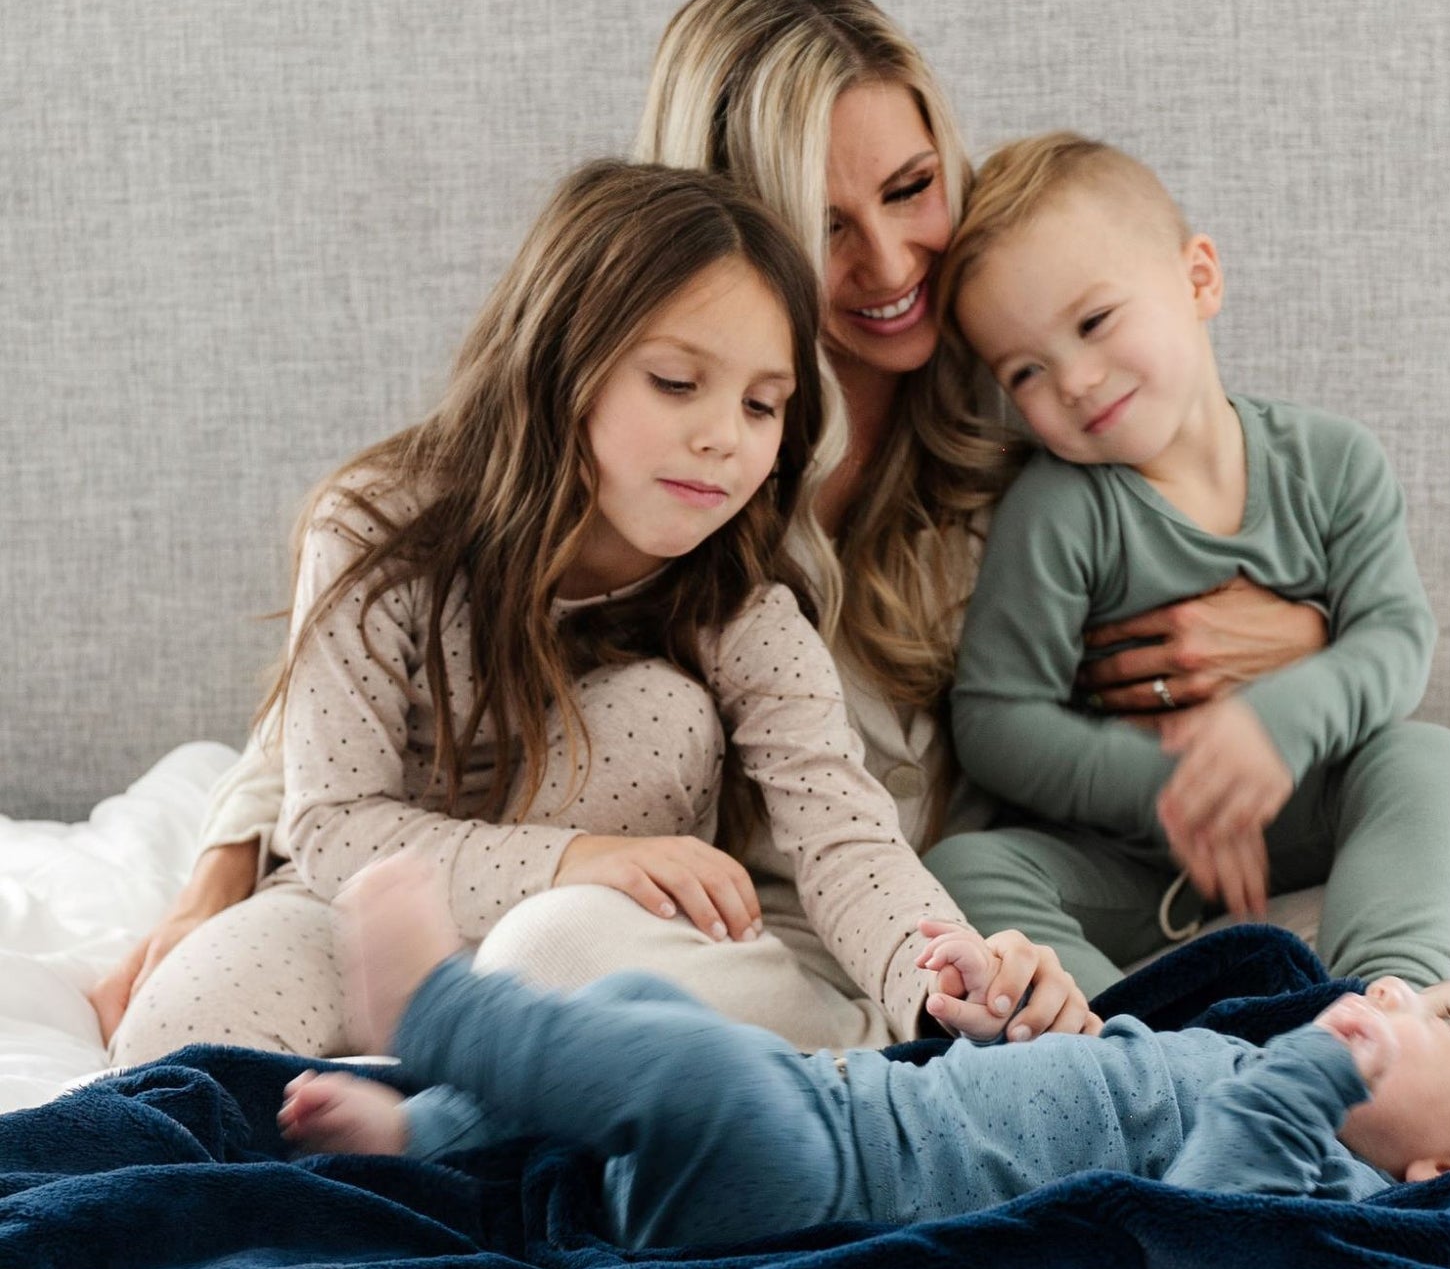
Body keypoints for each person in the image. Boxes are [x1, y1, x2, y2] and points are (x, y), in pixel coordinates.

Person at [93, 0, 1450, 1053]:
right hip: (747, 920)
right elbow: (386, 630)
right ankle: (1118, 1045)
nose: (887, 263)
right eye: (821, 223)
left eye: (914, 189)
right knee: (560, 954)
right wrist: (227, 869)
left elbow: (1218, 504)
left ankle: (1203, 1035)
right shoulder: (679, 481)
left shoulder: (1029, 415)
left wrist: (1299, 641)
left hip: (974, 911)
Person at [105, 161, 1097, 1065]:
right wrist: (580, 857)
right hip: (367, 917)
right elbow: (329, 823)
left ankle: (836, 1055)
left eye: (762, 406)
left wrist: (944, 976)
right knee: (178, 1032)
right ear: (557, 362)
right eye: (676, 383)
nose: (722, 438)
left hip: (610, 951)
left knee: (565, 921)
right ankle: (418, 1104)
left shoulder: (740, 606)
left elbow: (847, 842)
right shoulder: (378, 526)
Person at [278, 854, 1450, 1251]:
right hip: (833, 1104)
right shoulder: (1241, 1072)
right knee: (658, 1019)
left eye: (1446, 1021)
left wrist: (1313, 1073)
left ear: (1445, 1162)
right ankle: (439, 1126)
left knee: (695, 1077)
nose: (1401, 991)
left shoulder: (1322, 1190)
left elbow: (1199, 1215)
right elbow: (1104, 1087)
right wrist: (986, 1025)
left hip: (807, 1192)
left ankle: (441, 1016)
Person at [925, 132, 1450, 1000]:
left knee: (1428, 761)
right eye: (1026, 370)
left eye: (1095, 322)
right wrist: (1172, 789)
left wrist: (1277, 725)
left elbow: (1397, 636)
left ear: (1199, 279)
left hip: (1311, 816)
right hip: (1139, 862)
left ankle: (1387, 1002)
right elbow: (997, 721)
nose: (1072, 380)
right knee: (966, 865)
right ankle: (1140, 1045)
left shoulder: (1334, 463)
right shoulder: (1061, 507)